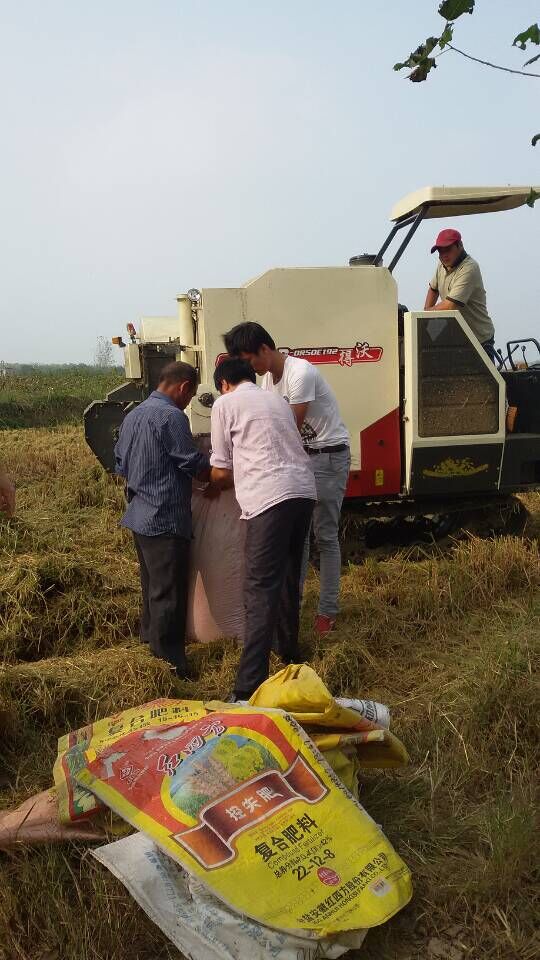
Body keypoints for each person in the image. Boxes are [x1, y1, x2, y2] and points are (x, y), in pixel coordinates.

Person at [224, 322, 350, 636]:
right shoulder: (268, 381)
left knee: (325, 536)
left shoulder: (300, 373)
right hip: (303, 459)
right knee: (299, 539)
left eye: (250, 360)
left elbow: (287, 427)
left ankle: (327, 612)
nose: (249, 369)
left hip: (328, 456)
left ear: (264, 350)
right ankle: (293, 607)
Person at [210, 357, 316, 700]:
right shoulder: (277, 401)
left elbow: (222, 470)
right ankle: (289, 657)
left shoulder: (225, 404)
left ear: (224, 383)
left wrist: (204, 478)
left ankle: (247, 688)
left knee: (259, 590)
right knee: (287, 578)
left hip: (268, 499)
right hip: (302, 492)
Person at [114, 361, 210, 678]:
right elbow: (189, 460)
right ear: (182, 387)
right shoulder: (171, 417)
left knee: (152, 587)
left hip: (140, 515)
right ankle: (170, 665)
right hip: (165, 516)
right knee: (168, 591)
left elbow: (120, 462)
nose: (188, 401)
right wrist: (216, 469)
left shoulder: (133, 416)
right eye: (191, 395)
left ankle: (150, 643)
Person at [424, 228, 496, 359]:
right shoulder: (442, 264)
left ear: (460, 246)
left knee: (478, 379)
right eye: (440, 251)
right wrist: (425, 315)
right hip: (459, 337)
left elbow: (450, 306)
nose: (443, 255)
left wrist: (424, 315)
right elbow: (433, 289)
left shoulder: (469, 268)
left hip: (478, 339)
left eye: (448, 249)